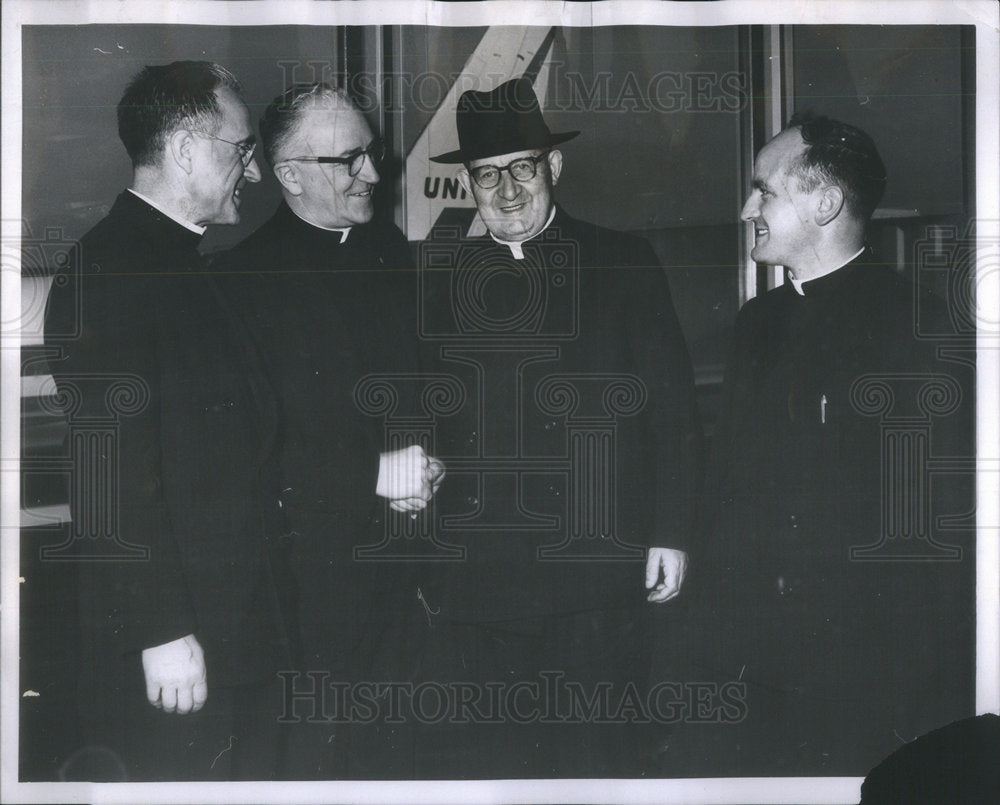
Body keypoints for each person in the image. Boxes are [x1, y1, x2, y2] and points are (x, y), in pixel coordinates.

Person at [404, 76, 703, 777]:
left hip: (598, 578)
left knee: (599, 764)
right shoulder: (439, 279)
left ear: (553, 168)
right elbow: (422, 414)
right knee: (497, 769)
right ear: (468, 185)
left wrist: (673, 532)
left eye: (522, 168)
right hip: (481, 584)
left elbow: (674, 415)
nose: (506, 191)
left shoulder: (624, 262)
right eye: (486, 175)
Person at [43, 61, 296, 780]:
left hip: (230, 629)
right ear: (186, 149)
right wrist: (161, 630)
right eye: (242, 150)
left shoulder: (180, 266)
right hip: (177, 651)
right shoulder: (109, 273)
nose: (253, 174)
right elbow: (107, 470)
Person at [701, 113, 975, 774]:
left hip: (870, 680)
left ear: (825, 203)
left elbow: (936, 535)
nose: (746, 209)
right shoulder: (755, 323)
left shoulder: (917, 327)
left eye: (763, 191)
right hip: (757, 671)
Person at [214, 83, 444, 778]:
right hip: (309, 595)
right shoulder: (235, 283)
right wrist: (376, 475)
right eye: (351, 161)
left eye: (369, 154)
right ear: (290, 175)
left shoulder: (389, 252)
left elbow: (427, 385)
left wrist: (434, 463)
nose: (373, 173)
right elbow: (243, 451)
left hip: (413, 578)